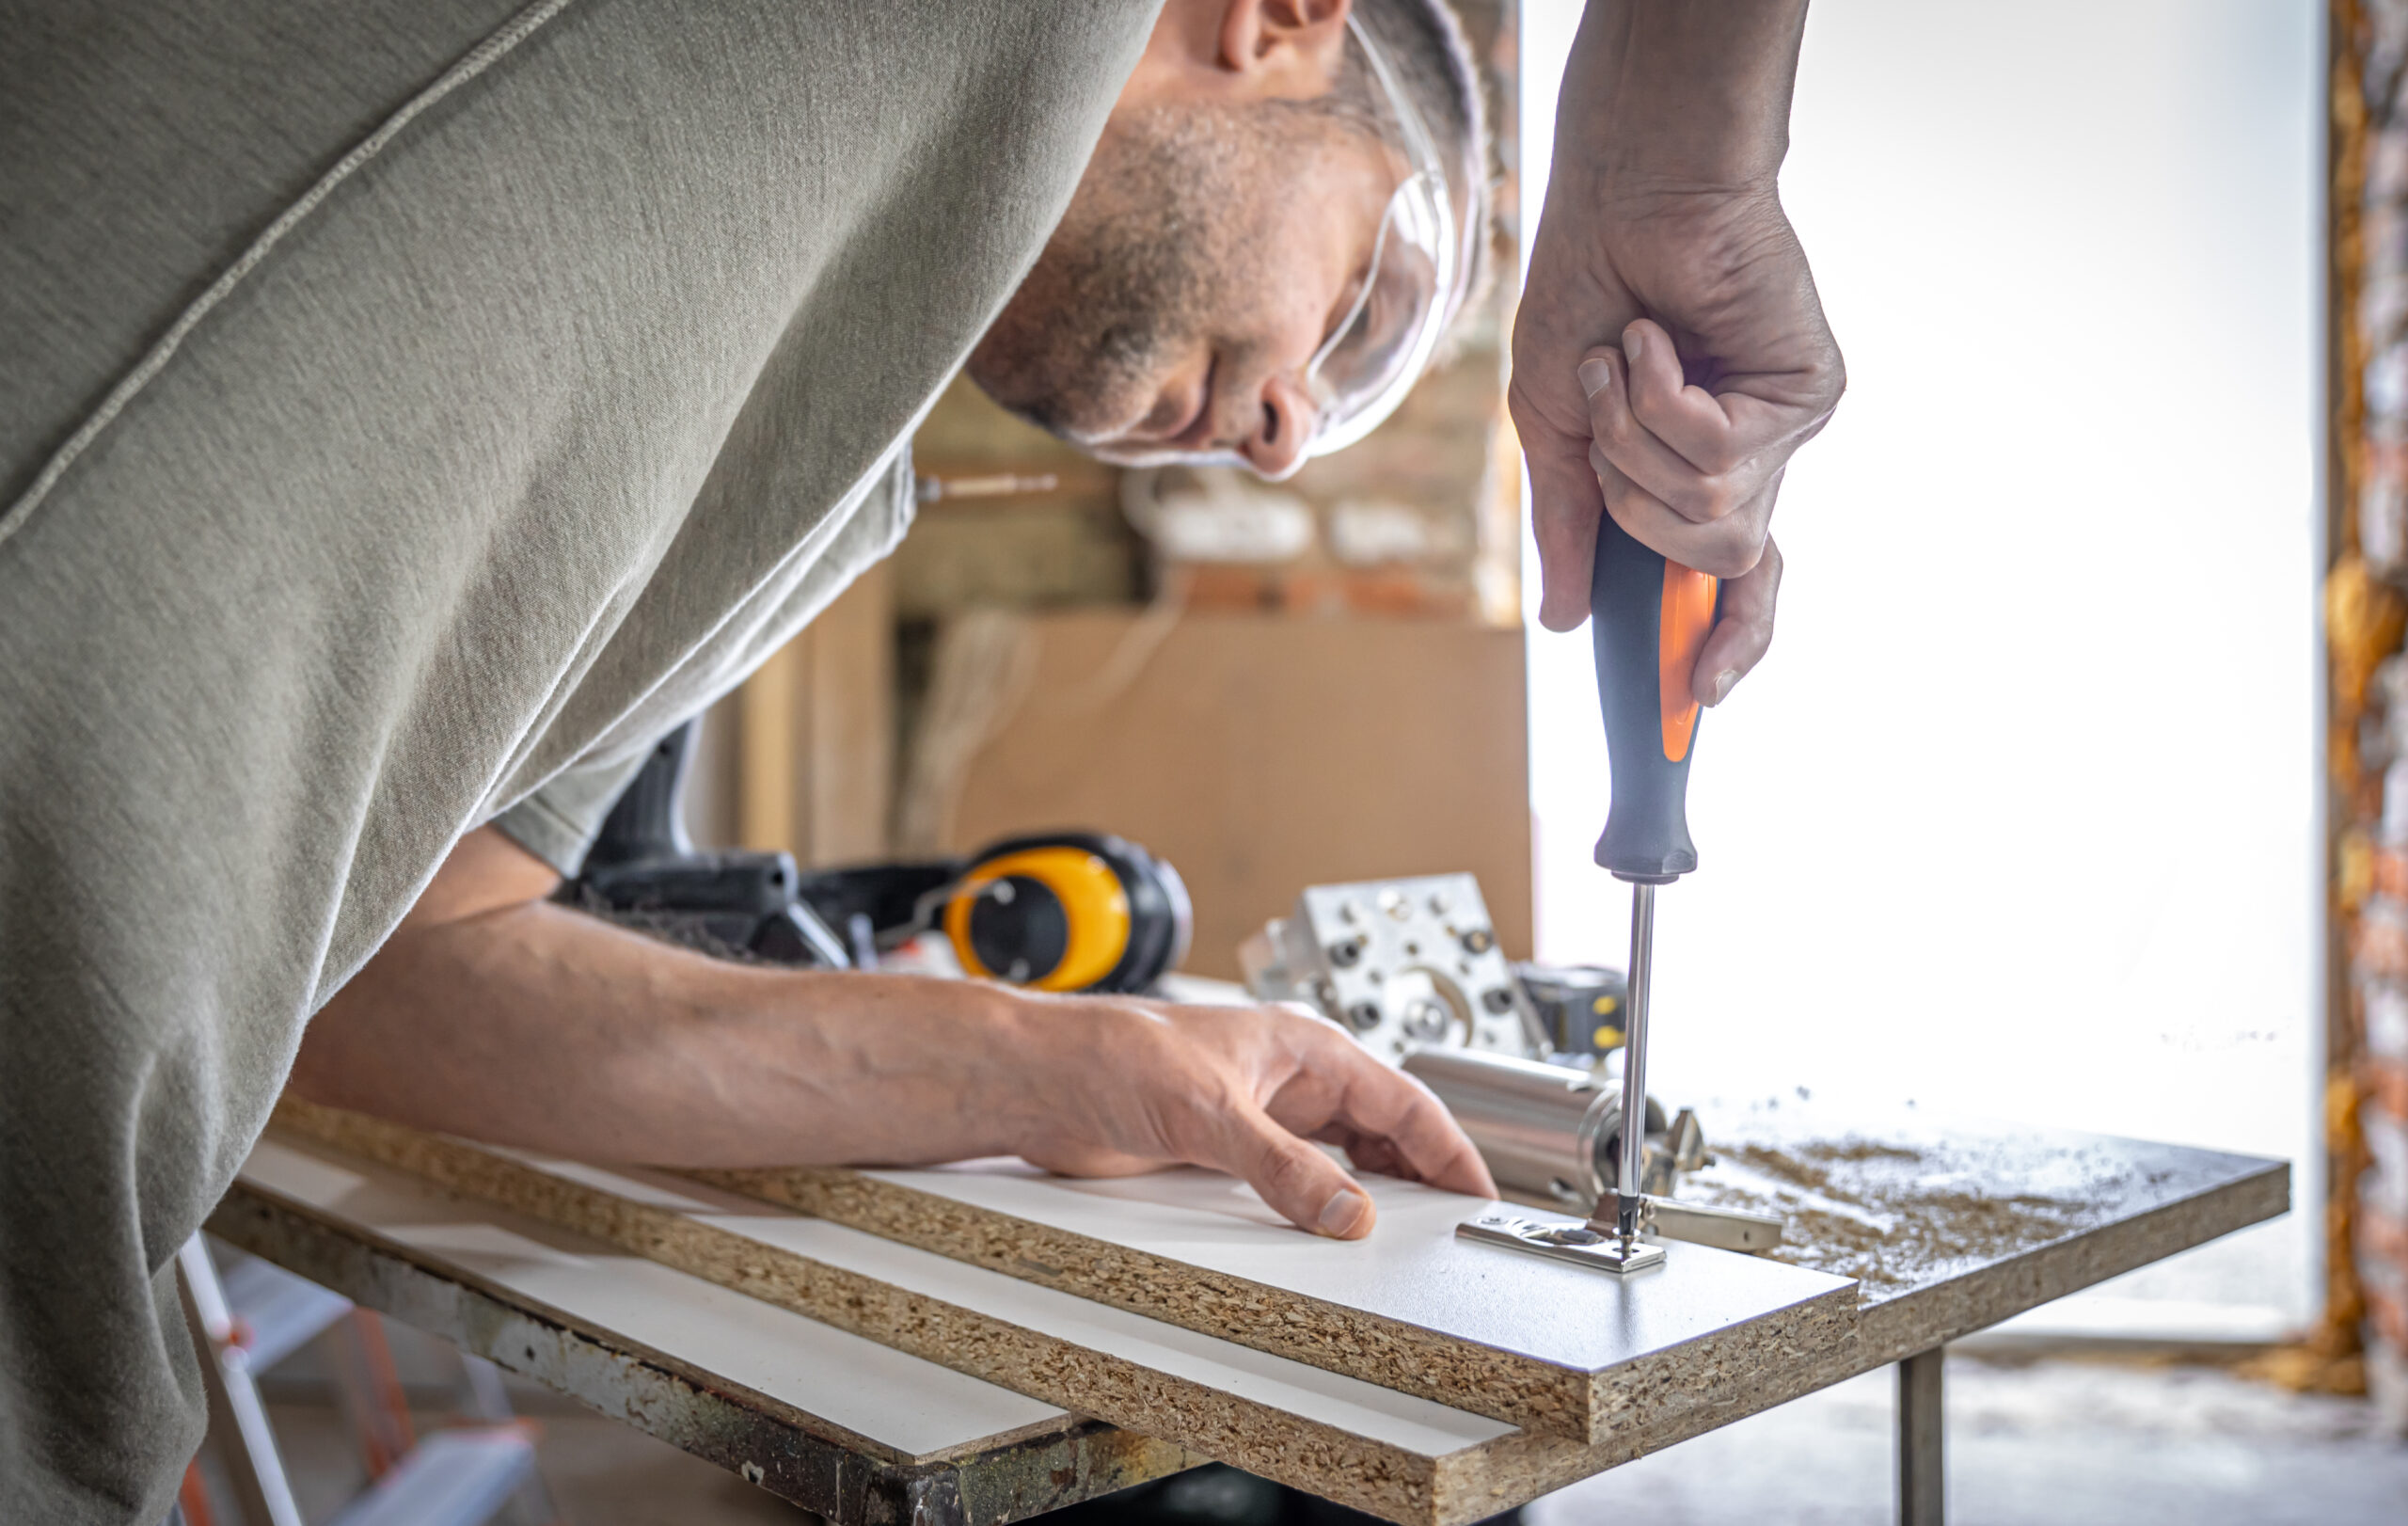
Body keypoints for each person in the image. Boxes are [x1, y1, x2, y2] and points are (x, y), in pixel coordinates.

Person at [0, 0, 1838, 1519]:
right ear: (1265, 26)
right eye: (1360, 309)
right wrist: (1669, 153)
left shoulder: (823, 486)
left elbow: (400, 969)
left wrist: (1057, 1066)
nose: (1286, 439)